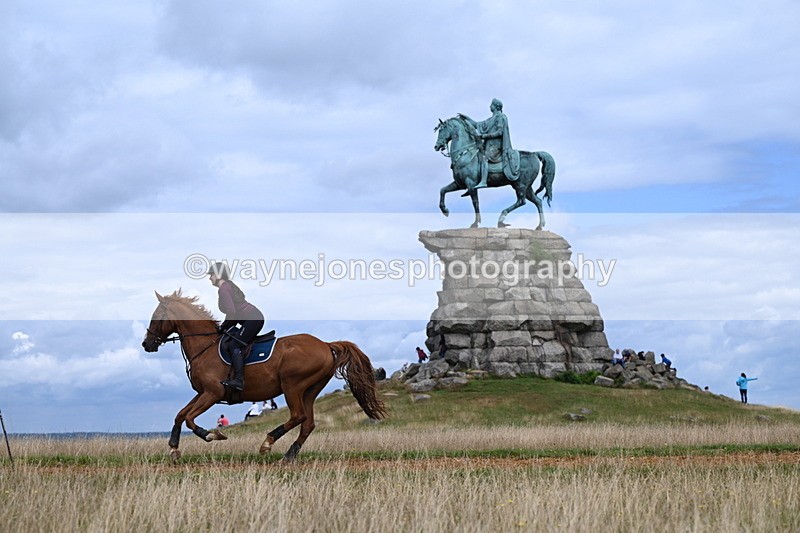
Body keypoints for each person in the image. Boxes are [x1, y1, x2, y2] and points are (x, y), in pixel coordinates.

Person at [208, 262, 265, 391]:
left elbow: (231, 312)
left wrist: (223, 326)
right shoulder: (227, 286)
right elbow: (234, 314)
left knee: (234, 345)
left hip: (253, 319)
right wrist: (224, 327)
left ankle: (239, 380)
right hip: (249, 319)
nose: (209, 278)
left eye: (211, 274)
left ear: (218, 274)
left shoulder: (223, 288)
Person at [457, 98, 520, 195]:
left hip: (496, 146)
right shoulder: (491, 119)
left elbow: (500, 132)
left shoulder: (501, 117)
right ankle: (472, 183)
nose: (490, 106)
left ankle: (483, 181)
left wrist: (484, 136)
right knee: (475, 156)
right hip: (488, 145)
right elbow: (477, 125)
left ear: (495, 106)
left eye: (491, 104)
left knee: (484, 158)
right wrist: (467, 118)